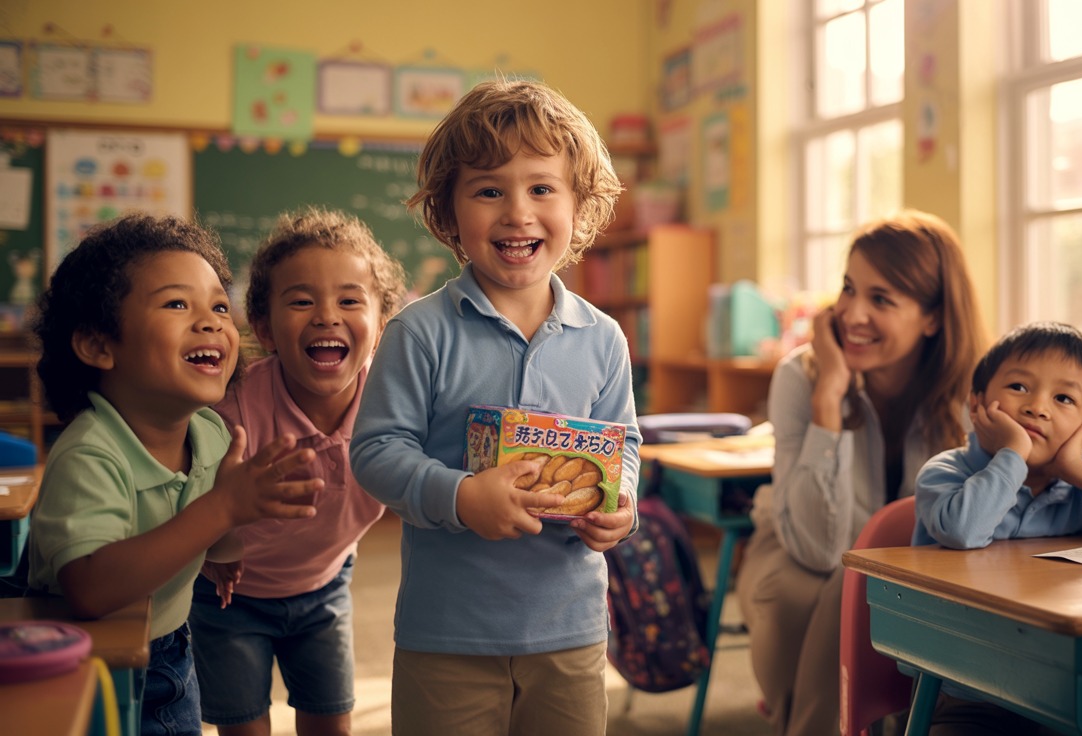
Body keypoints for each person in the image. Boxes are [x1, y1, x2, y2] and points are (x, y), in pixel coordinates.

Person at [349, 78, 641, 736]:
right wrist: (461, 497)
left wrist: (619, 509)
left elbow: (623, 446)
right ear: (449, 214)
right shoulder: (419, 331)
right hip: (448, 631)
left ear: (580, 204)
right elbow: (375, 451)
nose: (517, 213)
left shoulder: (603, 337)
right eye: (489, 190)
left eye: (542, 188)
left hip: (569, 626)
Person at [26, 213, 322, 736]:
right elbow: (89, 590)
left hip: (169, 647)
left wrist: (225, 545)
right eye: (177, 304)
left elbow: (205, 527)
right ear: (99, 345)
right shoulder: (91, 454)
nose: (210, 322)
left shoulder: (208, 432)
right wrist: (223, 509)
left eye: (220, 307)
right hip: (82, 667)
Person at [736, 209, 987, 736]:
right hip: (793, 543)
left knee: (857, 589)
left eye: (882, 299)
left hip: (913, 562)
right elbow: (817, 548)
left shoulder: (976, 392)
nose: (852, 313)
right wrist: (830, 394)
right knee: (795, 600)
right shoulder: (800, 377)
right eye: (849, 288)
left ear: (934, 318)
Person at [188, 207, 408, 736]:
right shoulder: (233, 408)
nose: (327, 316)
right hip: (228, 600)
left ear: (381, 326)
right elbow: (188, 492)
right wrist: (213, 545)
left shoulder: (396, 404)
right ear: (263, 326)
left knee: (332, 721)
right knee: (244, 725)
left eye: (350, 300)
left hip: (325, 586)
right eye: (302, 300)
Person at [912, 321, 1082, 735]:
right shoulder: (946, 473)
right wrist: (1013, 454)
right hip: (965, 689)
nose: (1037, 407)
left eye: (1063, 398)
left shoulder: (1081, 489)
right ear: (977, 406)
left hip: (1059, 690)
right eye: (1019, 388)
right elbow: (963, 530)